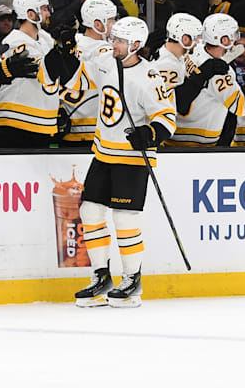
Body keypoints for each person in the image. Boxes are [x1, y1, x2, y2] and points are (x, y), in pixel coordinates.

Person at [74, 16, 175, 308]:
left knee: (124, 218)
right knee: (90, 211)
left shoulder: (150, 77)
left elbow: (167, 118)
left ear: (134, 45)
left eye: (118, 40)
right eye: (113, 38)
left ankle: (132, 279)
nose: (113, 44)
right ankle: (101, 276)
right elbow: (83, 66)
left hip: (132, 158)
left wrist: (149, 133)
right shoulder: (107, 61)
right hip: (103, 152)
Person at [0, 0, 80, 148]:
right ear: (30, 14)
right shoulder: (15, 42)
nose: (48, 14)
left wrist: (67, 49)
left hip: (40, 123)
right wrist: (60, 48)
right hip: (14, 124)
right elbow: (43, 73)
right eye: (43, 9)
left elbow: (65, 76)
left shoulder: (45, 38)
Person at [166, 13, 245, 147]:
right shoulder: (222, 74)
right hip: (199, 142)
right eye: (234, 35)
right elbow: (241, 108)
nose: (236, 39)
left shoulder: (194, 51)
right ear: (224, 40)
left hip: (173, 132)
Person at [58, 0, 116, 147]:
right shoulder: (106, 50)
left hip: (67, 126)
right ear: (98, 24)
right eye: (111, 20)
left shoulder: (70, 41)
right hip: (93, 128)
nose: (115, 25)